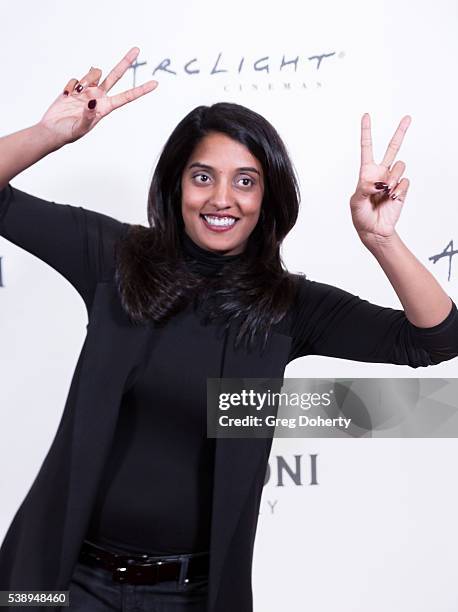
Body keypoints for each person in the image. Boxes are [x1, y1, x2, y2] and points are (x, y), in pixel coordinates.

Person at [0, 46, 457, 612]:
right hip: (53, 586)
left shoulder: (289, 306)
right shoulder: (112, 258)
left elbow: (435, 339)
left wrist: (381, 238)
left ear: (267, 199)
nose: (222, 199)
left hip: (192, 597)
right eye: (203, 177)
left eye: (245, 181)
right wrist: (50, 133)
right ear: (176, 187)